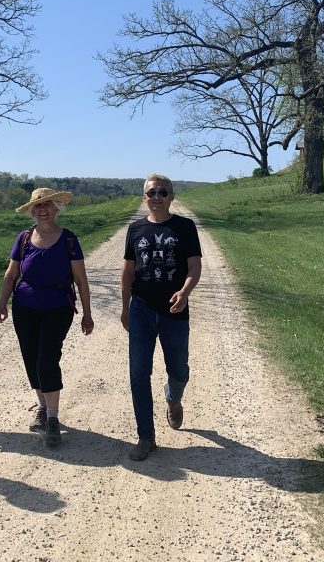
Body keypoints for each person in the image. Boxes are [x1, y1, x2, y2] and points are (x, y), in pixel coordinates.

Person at [0, 187, 93, 447]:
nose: (42, 209)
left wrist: (87, 314)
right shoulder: (25, 238)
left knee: (47, 359)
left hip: (58, 307)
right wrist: (2, 303)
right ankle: (41, 406)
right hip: (25, 307)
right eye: (38, 205)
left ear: (56, 208)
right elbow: (10, 274)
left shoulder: (68, 239)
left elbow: (81, 281)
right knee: (30, 358)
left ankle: (52, 418)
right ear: (32, 210)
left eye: (47, 204)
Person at [121, 174, 202, 461]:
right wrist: (124, 306)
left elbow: (194, 267)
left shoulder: (185, 227)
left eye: (162, 192)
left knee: (179, 369)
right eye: (151, 192)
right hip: (142, 309)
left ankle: (173, 396)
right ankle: (146, 437)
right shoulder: (135, 229)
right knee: (138, 374)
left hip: (174, 310)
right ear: (144, 197)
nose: (157, 197)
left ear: (171, 196)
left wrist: (185, 292)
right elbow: (129, 271)